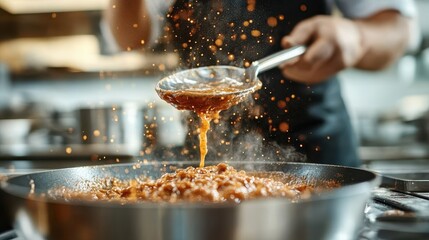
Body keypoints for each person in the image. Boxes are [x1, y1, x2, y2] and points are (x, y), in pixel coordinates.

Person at [104, 0, 419, 167]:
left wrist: (359, 37)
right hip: (208, 148)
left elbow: (399, 30)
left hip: (316, 153)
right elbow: (130, 39)